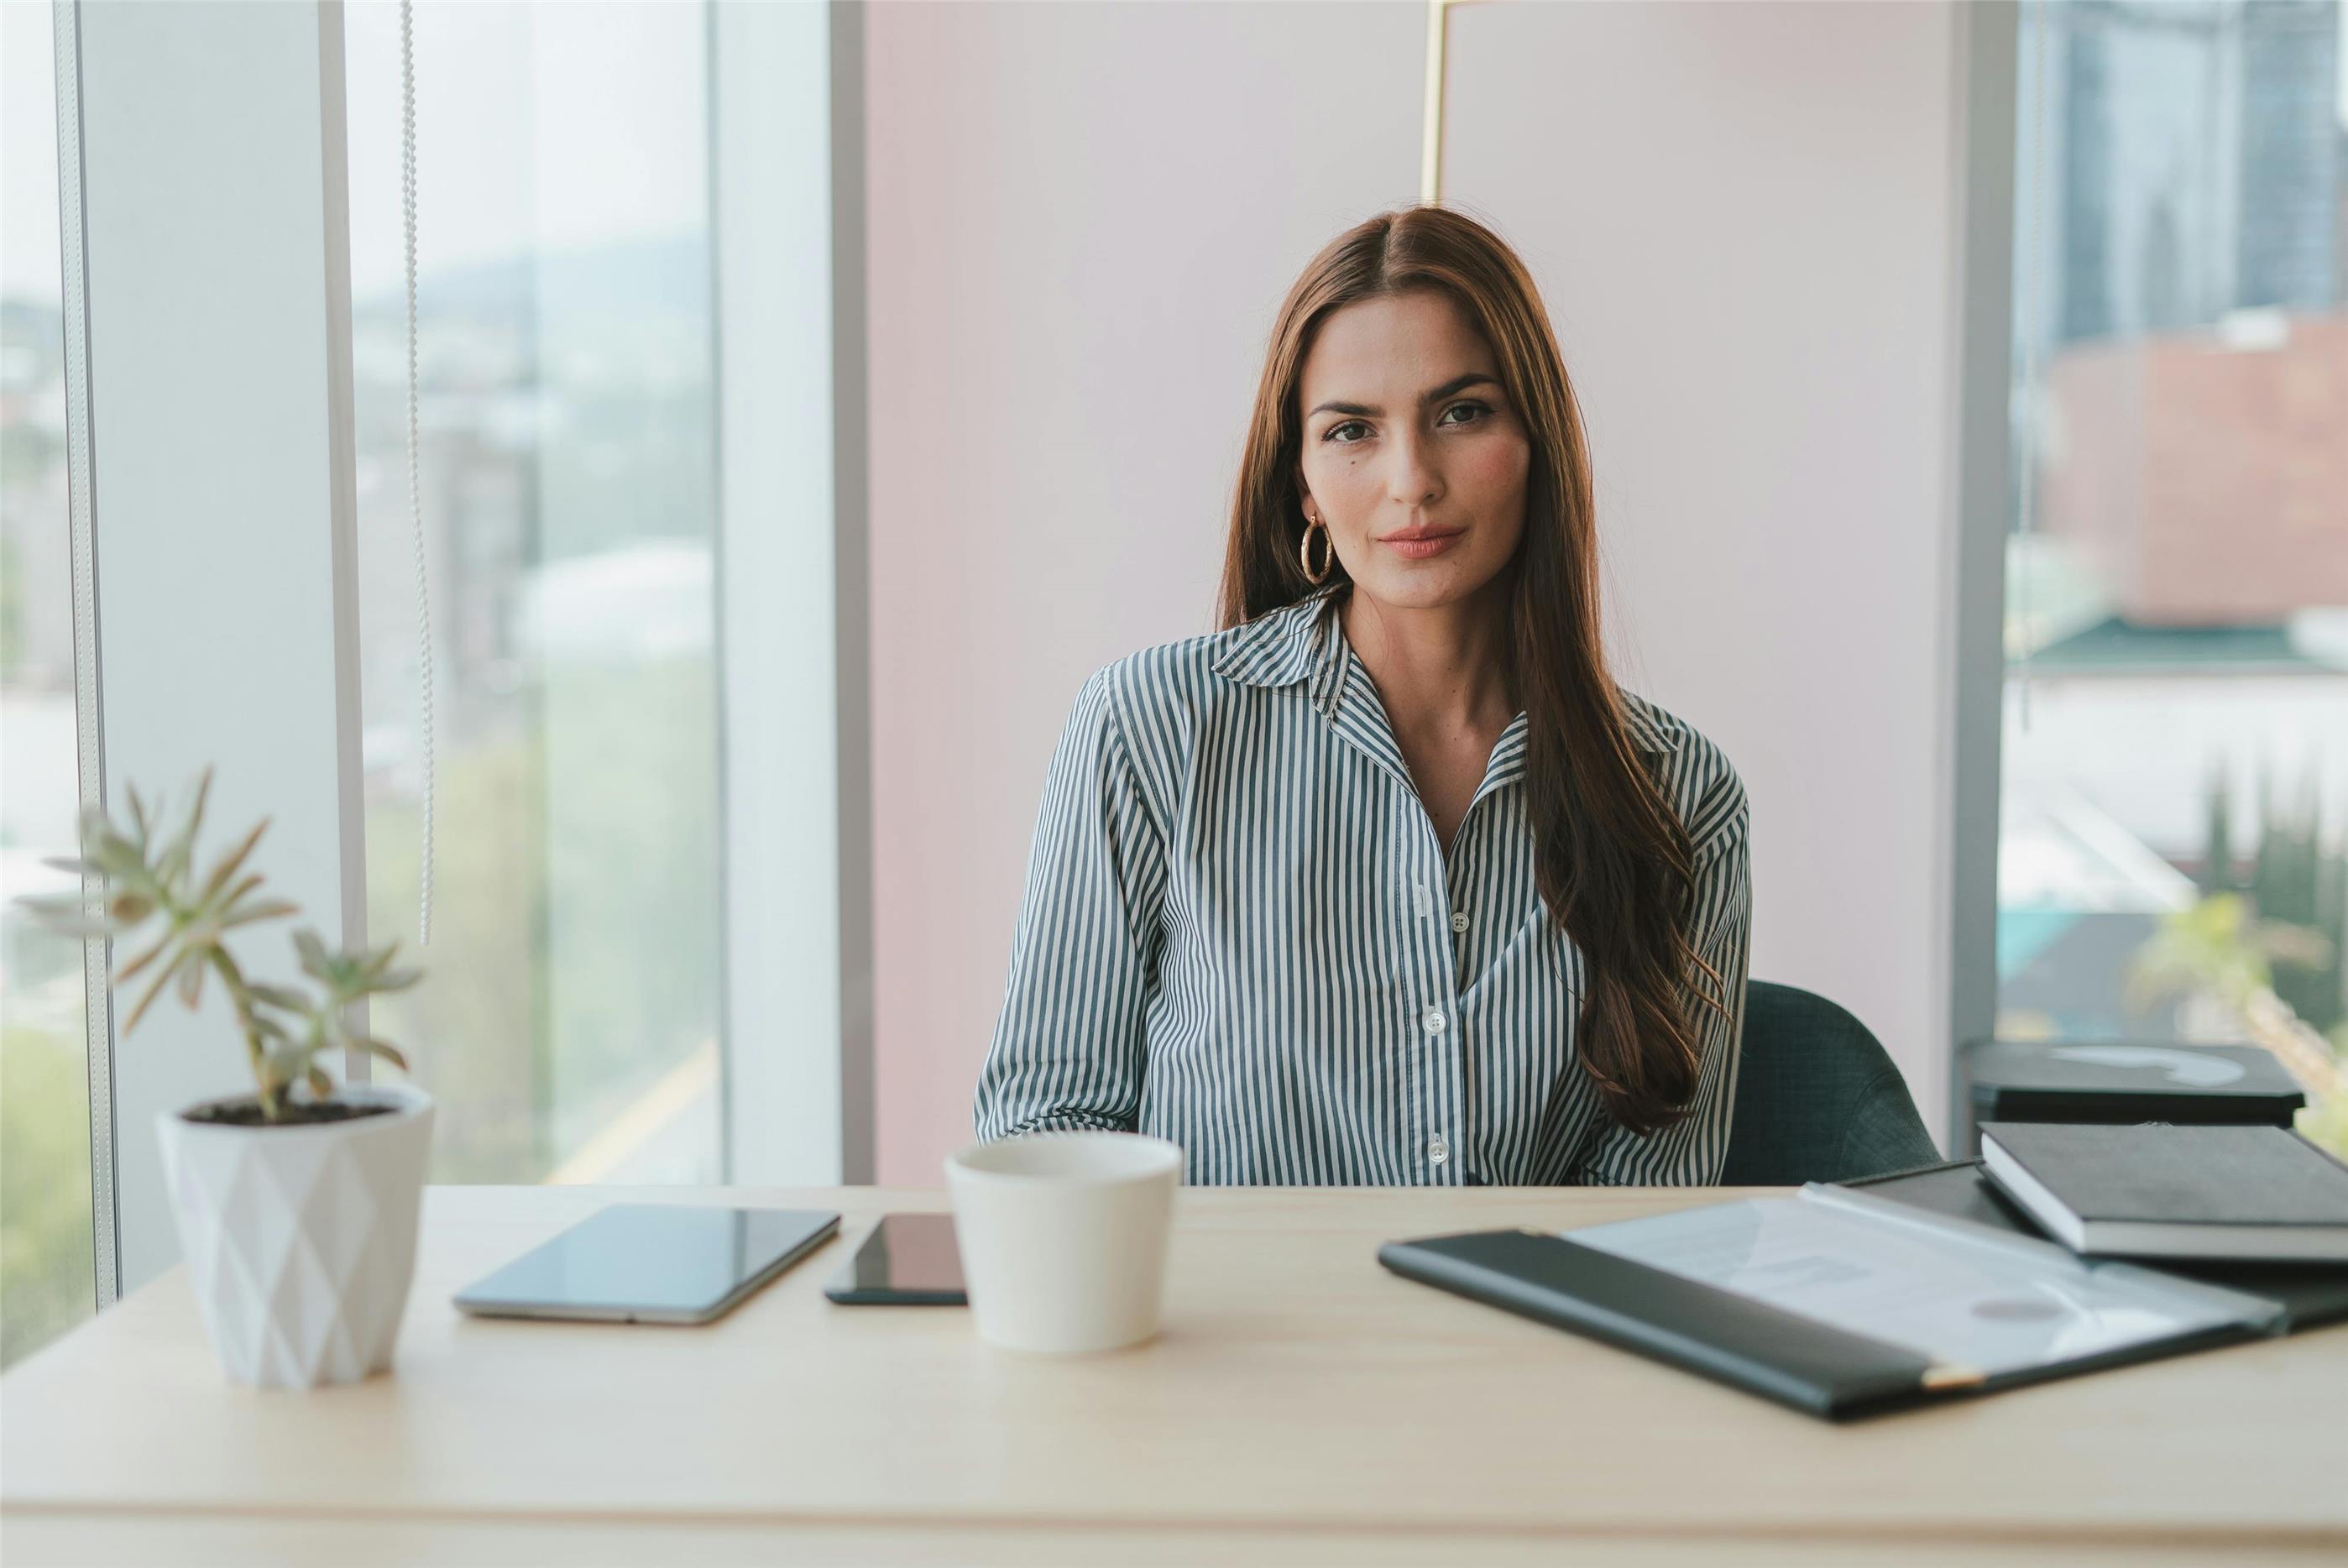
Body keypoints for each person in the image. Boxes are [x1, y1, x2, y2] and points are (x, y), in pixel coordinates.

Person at [972, 206, 1751, 1185]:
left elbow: (1652, 1206)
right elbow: (1044, 1127)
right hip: (1221, 1335)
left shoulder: (1680, 794)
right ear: (1301, 482)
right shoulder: (1149, 729)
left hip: (1528, 1342)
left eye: (1462, 411)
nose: (1410, 481)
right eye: (1351, 430)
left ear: (1536, 440)